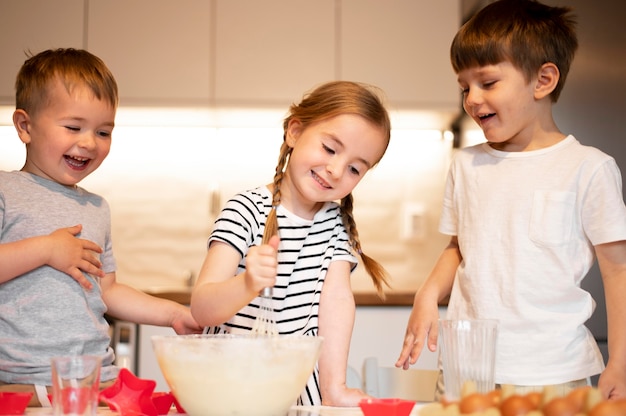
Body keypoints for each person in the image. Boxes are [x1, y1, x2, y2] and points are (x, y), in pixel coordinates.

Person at [395, 0, 626, 402]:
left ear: (543, 80)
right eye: (464, 86)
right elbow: (457, 247)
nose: (471, 98)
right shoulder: (466, 165)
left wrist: (620, 362)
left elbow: (617, 271)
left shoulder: (588, 168)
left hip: (553, 371)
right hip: (468, 368)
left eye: (487, 82)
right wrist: (427, 294)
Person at [0, 48, 202, 407]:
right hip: (20, 386)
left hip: (96, 383)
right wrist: (47, 249)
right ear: (25, 126)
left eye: (103, 131)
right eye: (73, 127)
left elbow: (107, 290)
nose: (89, 142)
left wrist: (172, 313)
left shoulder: (96, 208)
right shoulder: (5, 191)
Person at [190, 80, 391, 406]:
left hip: (297, 396)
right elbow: (201, 308)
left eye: (355, 168)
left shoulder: (334, 226)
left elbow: (337, 302)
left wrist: (334, 387)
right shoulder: (246, 211)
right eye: (330, 148)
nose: (336, 170)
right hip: (229, 391)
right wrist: (248, 283)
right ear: (294, 131)